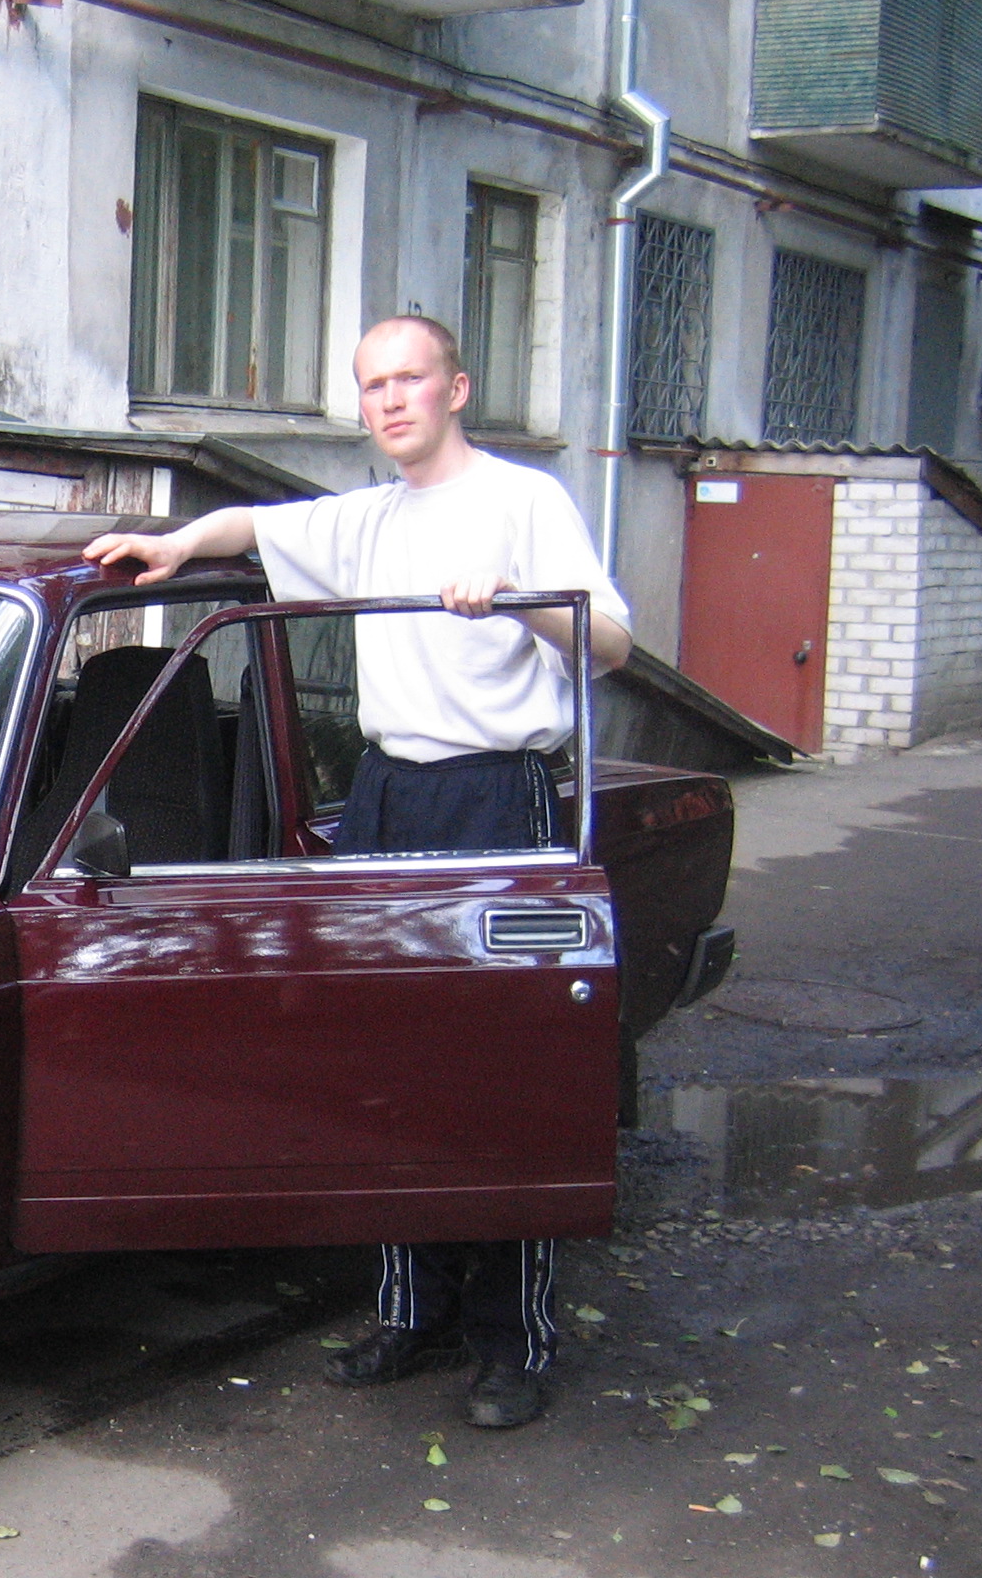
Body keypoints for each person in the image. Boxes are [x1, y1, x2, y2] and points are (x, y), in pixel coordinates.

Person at [82, 314, 633, 1430]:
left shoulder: (524, 502)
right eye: (372, 384)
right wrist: (178, 547)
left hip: (495, 796)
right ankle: (412, 1314)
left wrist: (515, 598)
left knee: (498, 1074)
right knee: (383, 1059)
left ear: (456, 389)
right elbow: (252, 522)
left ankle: (511, 1343)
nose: (389, 400)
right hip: (388, 795)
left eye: (409, 379)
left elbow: (613, 639)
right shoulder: (369, 516)